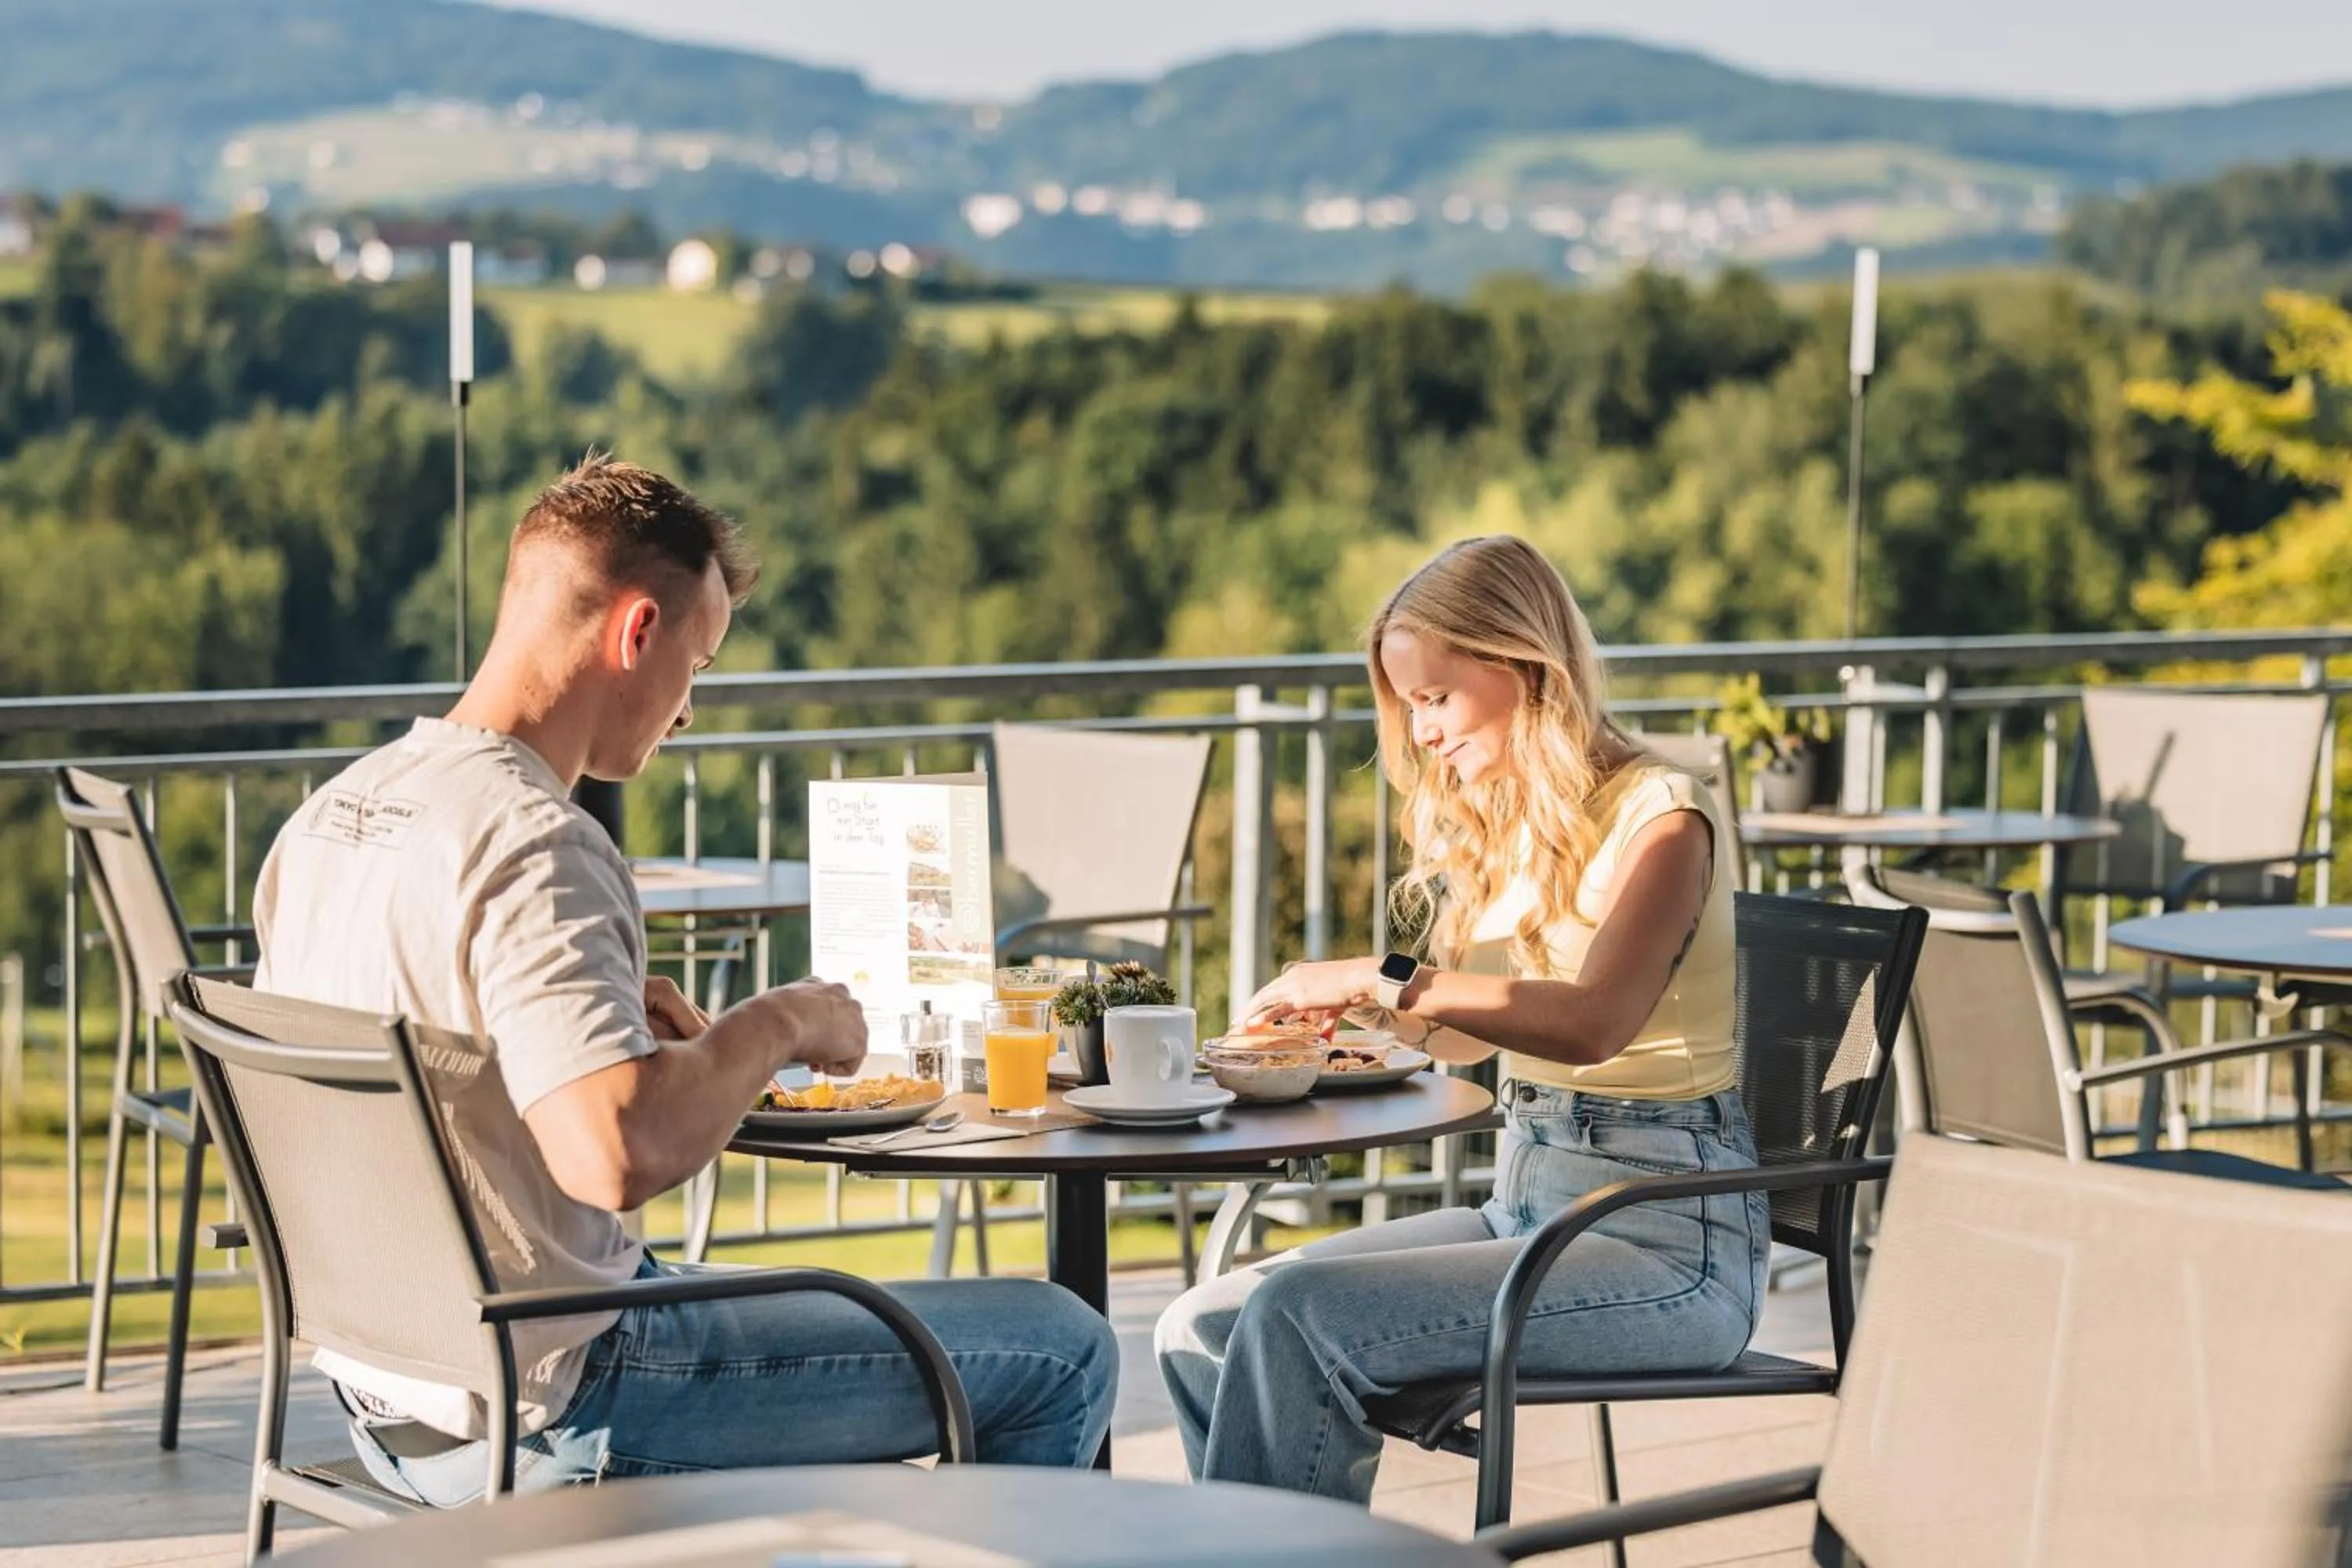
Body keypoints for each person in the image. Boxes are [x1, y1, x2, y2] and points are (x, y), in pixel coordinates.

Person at [253, 453, 1116, 1501]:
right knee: (1062, 1347)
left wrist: (664, 1056)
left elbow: (467, 1093)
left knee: (857, 1312)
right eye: (698, 668)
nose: (689, 712)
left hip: (390, 1397)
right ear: (638, 632)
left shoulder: (332, 819)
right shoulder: (537, 845)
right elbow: (617, 1154)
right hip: (553, 1403)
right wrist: (779, 1022)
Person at [1154, 535, 1766, 1502]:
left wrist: (1386, 976)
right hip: (1527, 1208)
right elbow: (1476, 1035)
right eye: (1409, 706)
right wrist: (1359, 1012)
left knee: (1297, 1316)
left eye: (1435, 697)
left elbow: (1592, 1022)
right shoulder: (1519, 823)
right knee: (1203, 1321)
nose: (1424, 732)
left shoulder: (1664, 817)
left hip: (1667, 1244)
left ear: (1524, 663)